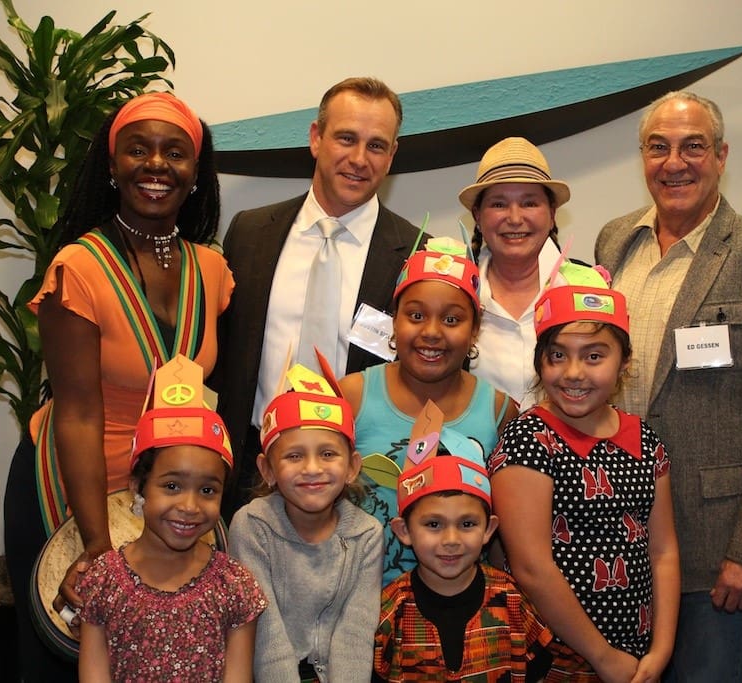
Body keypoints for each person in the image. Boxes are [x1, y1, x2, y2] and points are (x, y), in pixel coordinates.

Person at [594, 90, 742, 682]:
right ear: (642, 158)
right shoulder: (613, 242)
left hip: (714, 549)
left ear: (721, 156)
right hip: (613, 534)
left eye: (693, 146)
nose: (675, 162)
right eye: (658, 147)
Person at [2, 91, 233, 681]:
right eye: (138, 150)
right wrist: (98, 545)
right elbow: (76, 413)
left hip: (166, 489)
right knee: (74, 660)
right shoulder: (76, 269)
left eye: (175, 153)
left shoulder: (212, 270)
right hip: (76, 488)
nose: (157, 165)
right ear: (112, 166)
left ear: (196, 173)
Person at [215, 77, 425, 518]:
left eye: (376, 145)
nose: (358, 159)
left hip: (360, 478)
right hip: (250, 468)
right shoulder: (249, 232)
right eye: (346, 138)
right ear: (315, 138)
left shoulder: (416, 253)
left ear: (392, 156)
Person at [489, 263, 680, 682]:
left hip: (637, 657)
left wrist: (662, 647)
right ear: (540, 361)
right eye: (558, 355)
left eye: (594, 356)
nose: (573, 373)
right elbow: (531, 566)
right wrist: (603, 655)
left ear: (624, 361)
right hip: (553, 657)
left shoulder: (645, 440)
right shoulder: (529, 439)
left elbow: (663, 551)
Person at [339, 236, 519, 585]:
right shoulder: (353, 396)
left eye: (452, 320)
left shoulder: (498, 410)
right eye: (416, 315)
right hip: (360, 601)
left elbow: (504, 527)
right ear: (395, 321)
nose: (432, 332)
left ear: (475, 330)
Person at [78, 355, 266, 682]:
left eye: (208, 490)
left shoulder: (235, 585)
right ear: (139, 486)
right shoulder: (103, 580)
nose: (190, 505)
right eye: (172, 486)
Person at [373, 403, 554, 682]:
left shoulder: (512, 599)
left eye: (467, 524)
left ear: (488, 529)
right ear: (403, 530)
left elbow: (539, 667)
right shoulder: (388, 612)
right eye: (433, 525)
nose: (451, 540)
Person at [229, 359, 384, 682]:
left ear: (352, 466)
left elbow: (355, 631)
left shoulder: (367, 534)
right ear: (267, 470)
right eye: (294, 456)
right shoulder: (252, 526)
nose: (312, 468)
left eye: (328, 454)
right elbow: (266, 631)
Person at [458, 136, 572, 408]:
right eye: (498, 204)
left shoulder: (586, 289)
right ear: (477, 215)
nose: (515, 217)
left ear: (552, 213)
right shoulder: (455, 294)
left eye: (529, 203)